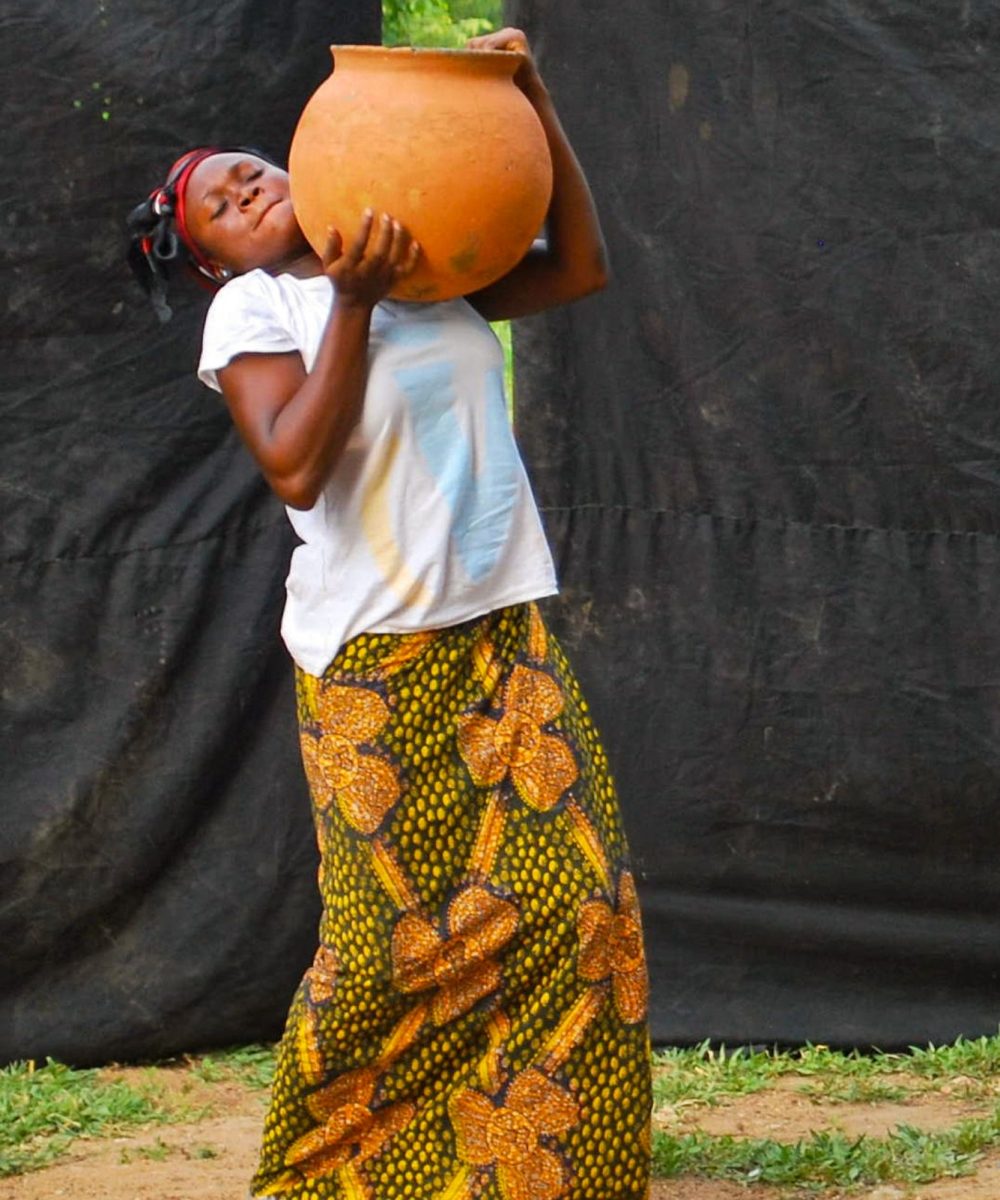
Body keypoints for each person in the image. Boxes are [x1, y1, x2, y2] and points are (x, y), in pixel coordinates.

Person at [128, 28, 652, 1200]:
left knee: (582, 909)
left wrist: (532, 98)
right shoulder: (257, 311)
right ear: (209, 258)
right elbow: (295, 467)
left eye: (255, 166)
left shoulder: (427, 268)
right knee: (385, 954)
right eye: (222, 197)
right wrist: (350, 305)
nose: (250, 184)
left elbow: (578, 264)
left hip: (499, 630)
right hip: (374, 663)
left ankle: (543, 1178)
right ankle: (331, 1177)